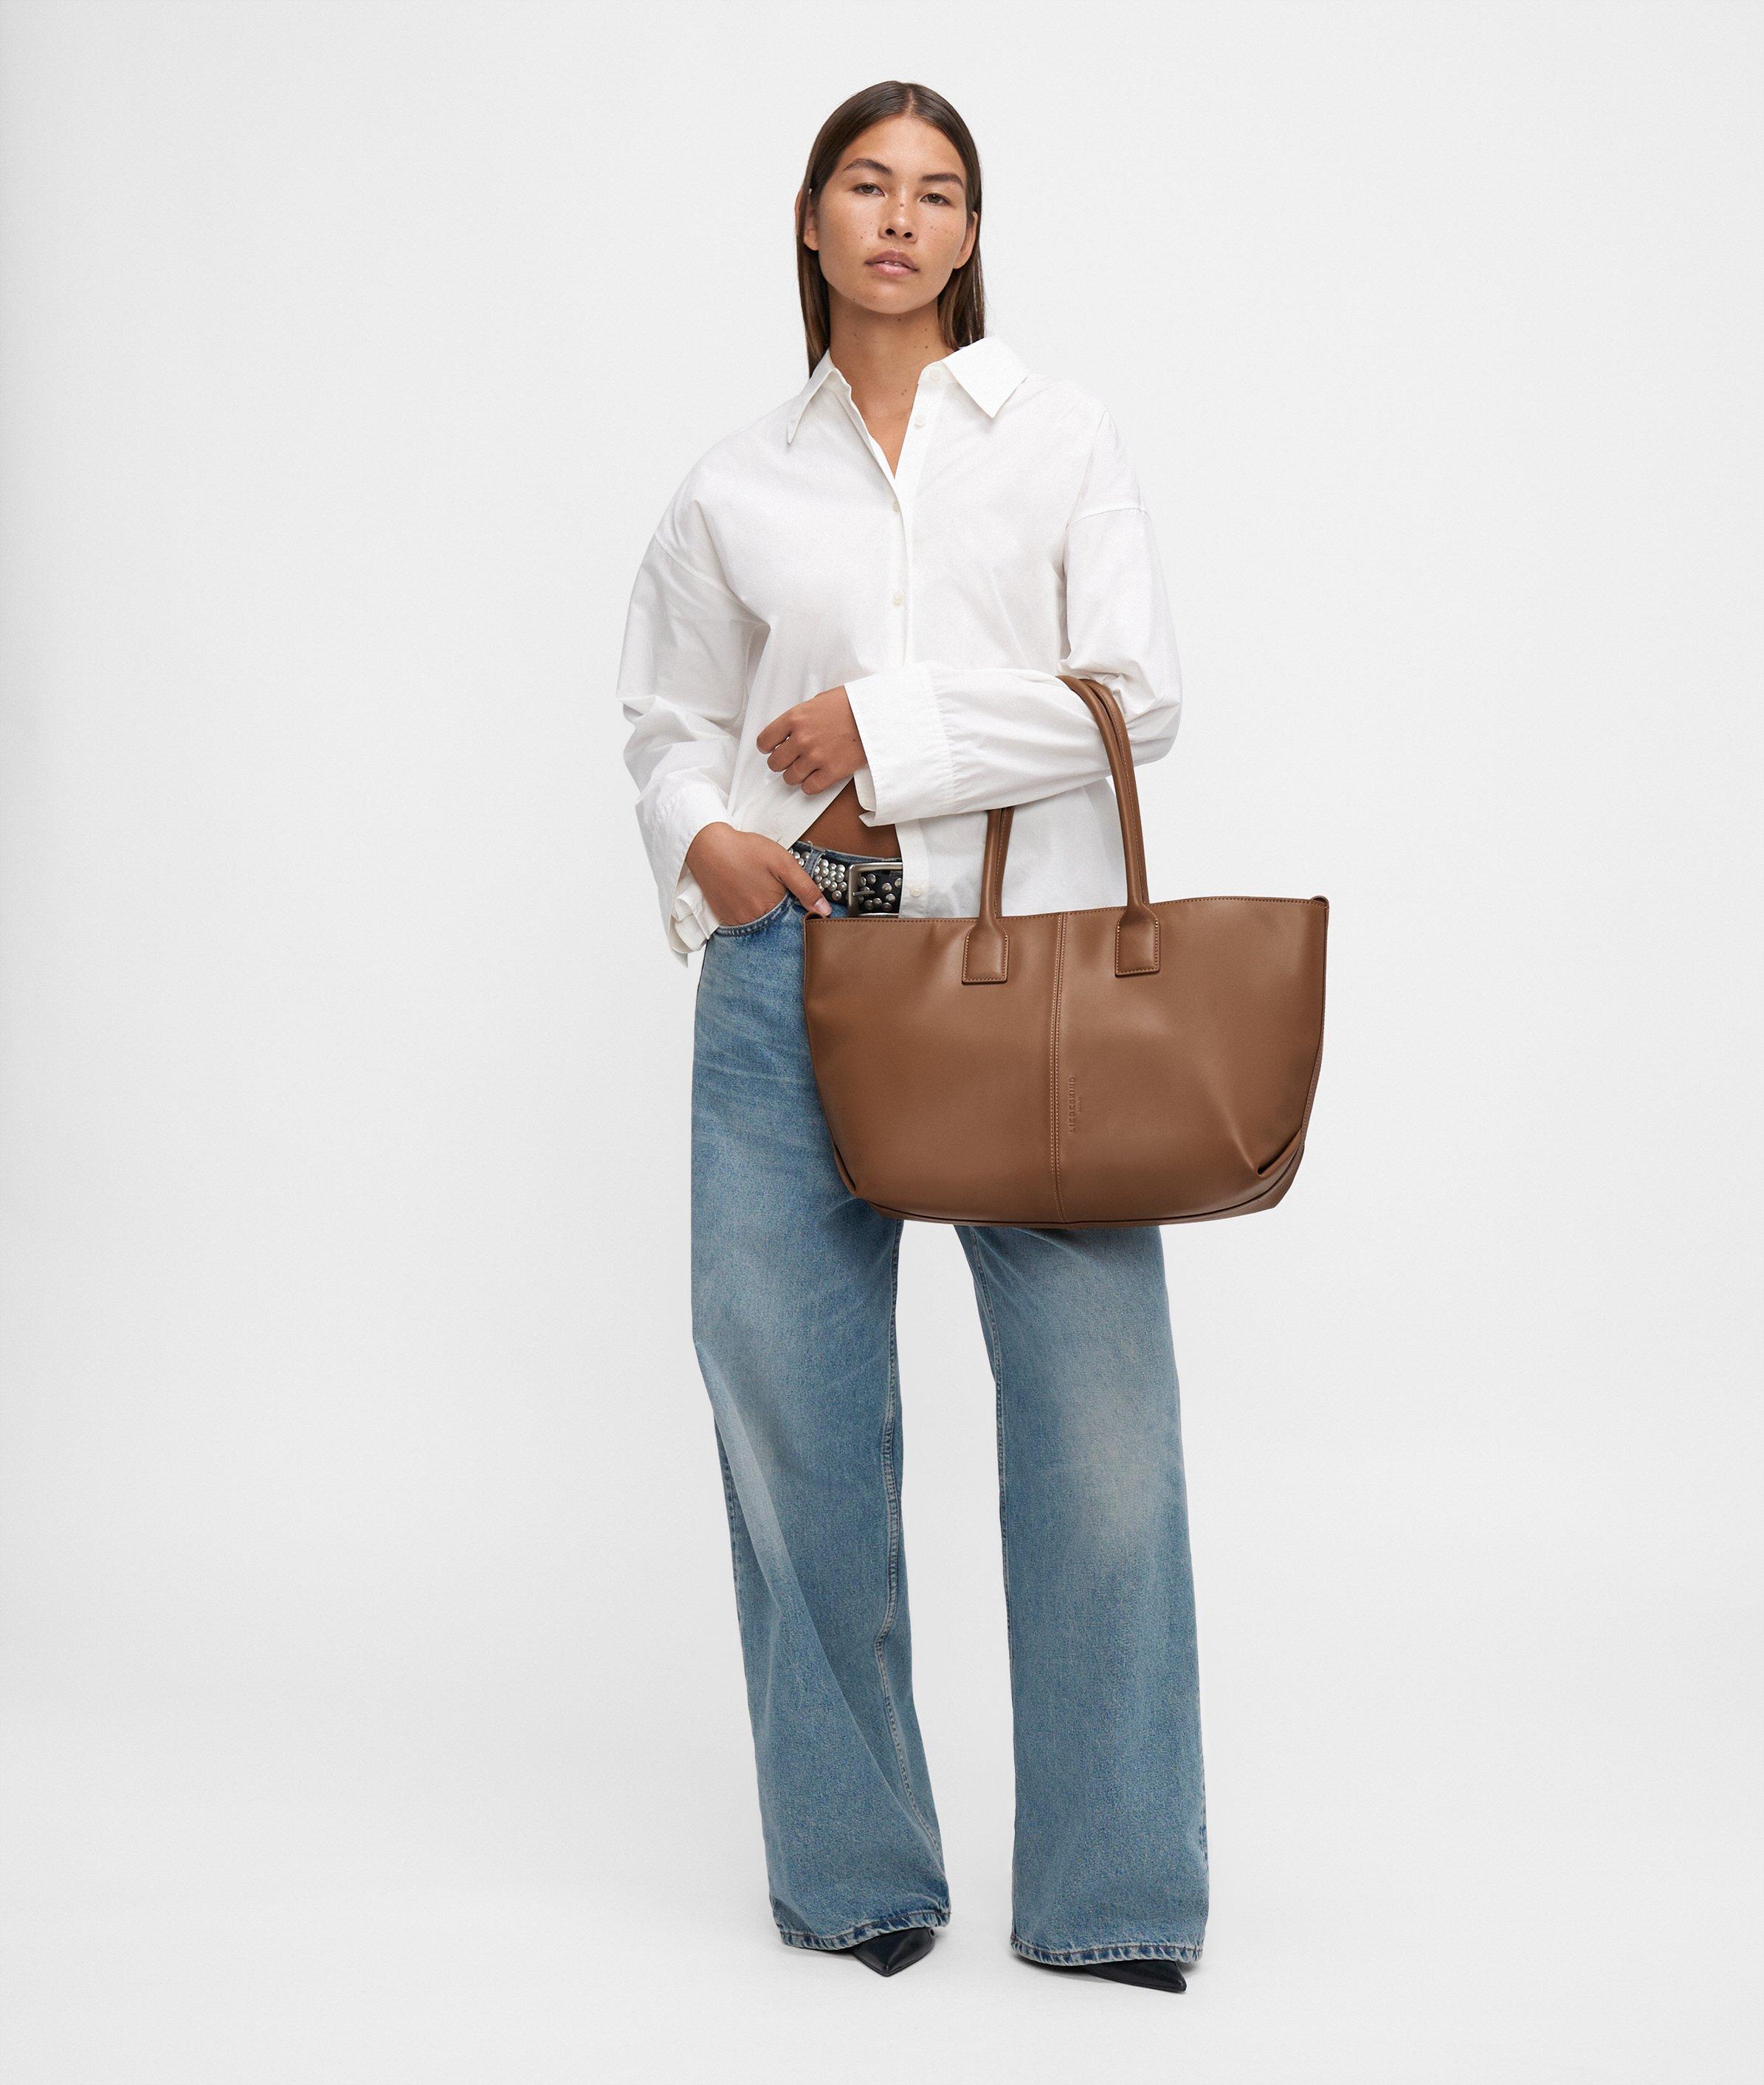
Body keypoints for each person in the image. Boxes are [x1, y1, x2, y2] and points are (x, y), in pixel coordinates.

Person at [618, 80, 1204, 1992]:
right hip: (790, 973)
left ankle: (1115, 1892)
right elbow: (668, 714)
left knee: (1101, 1435)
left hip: (1025, 974)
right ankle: (855, 1871)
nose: (900, 217)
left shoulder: (1059, 438)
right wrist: (700, 837)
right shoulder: (736, 481)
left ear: (970, 234)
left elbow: (1133, 696)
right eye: (866, 185)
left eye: (938, 191)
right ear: (811, 220)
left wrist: (888, 729)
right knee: (794, 1426)